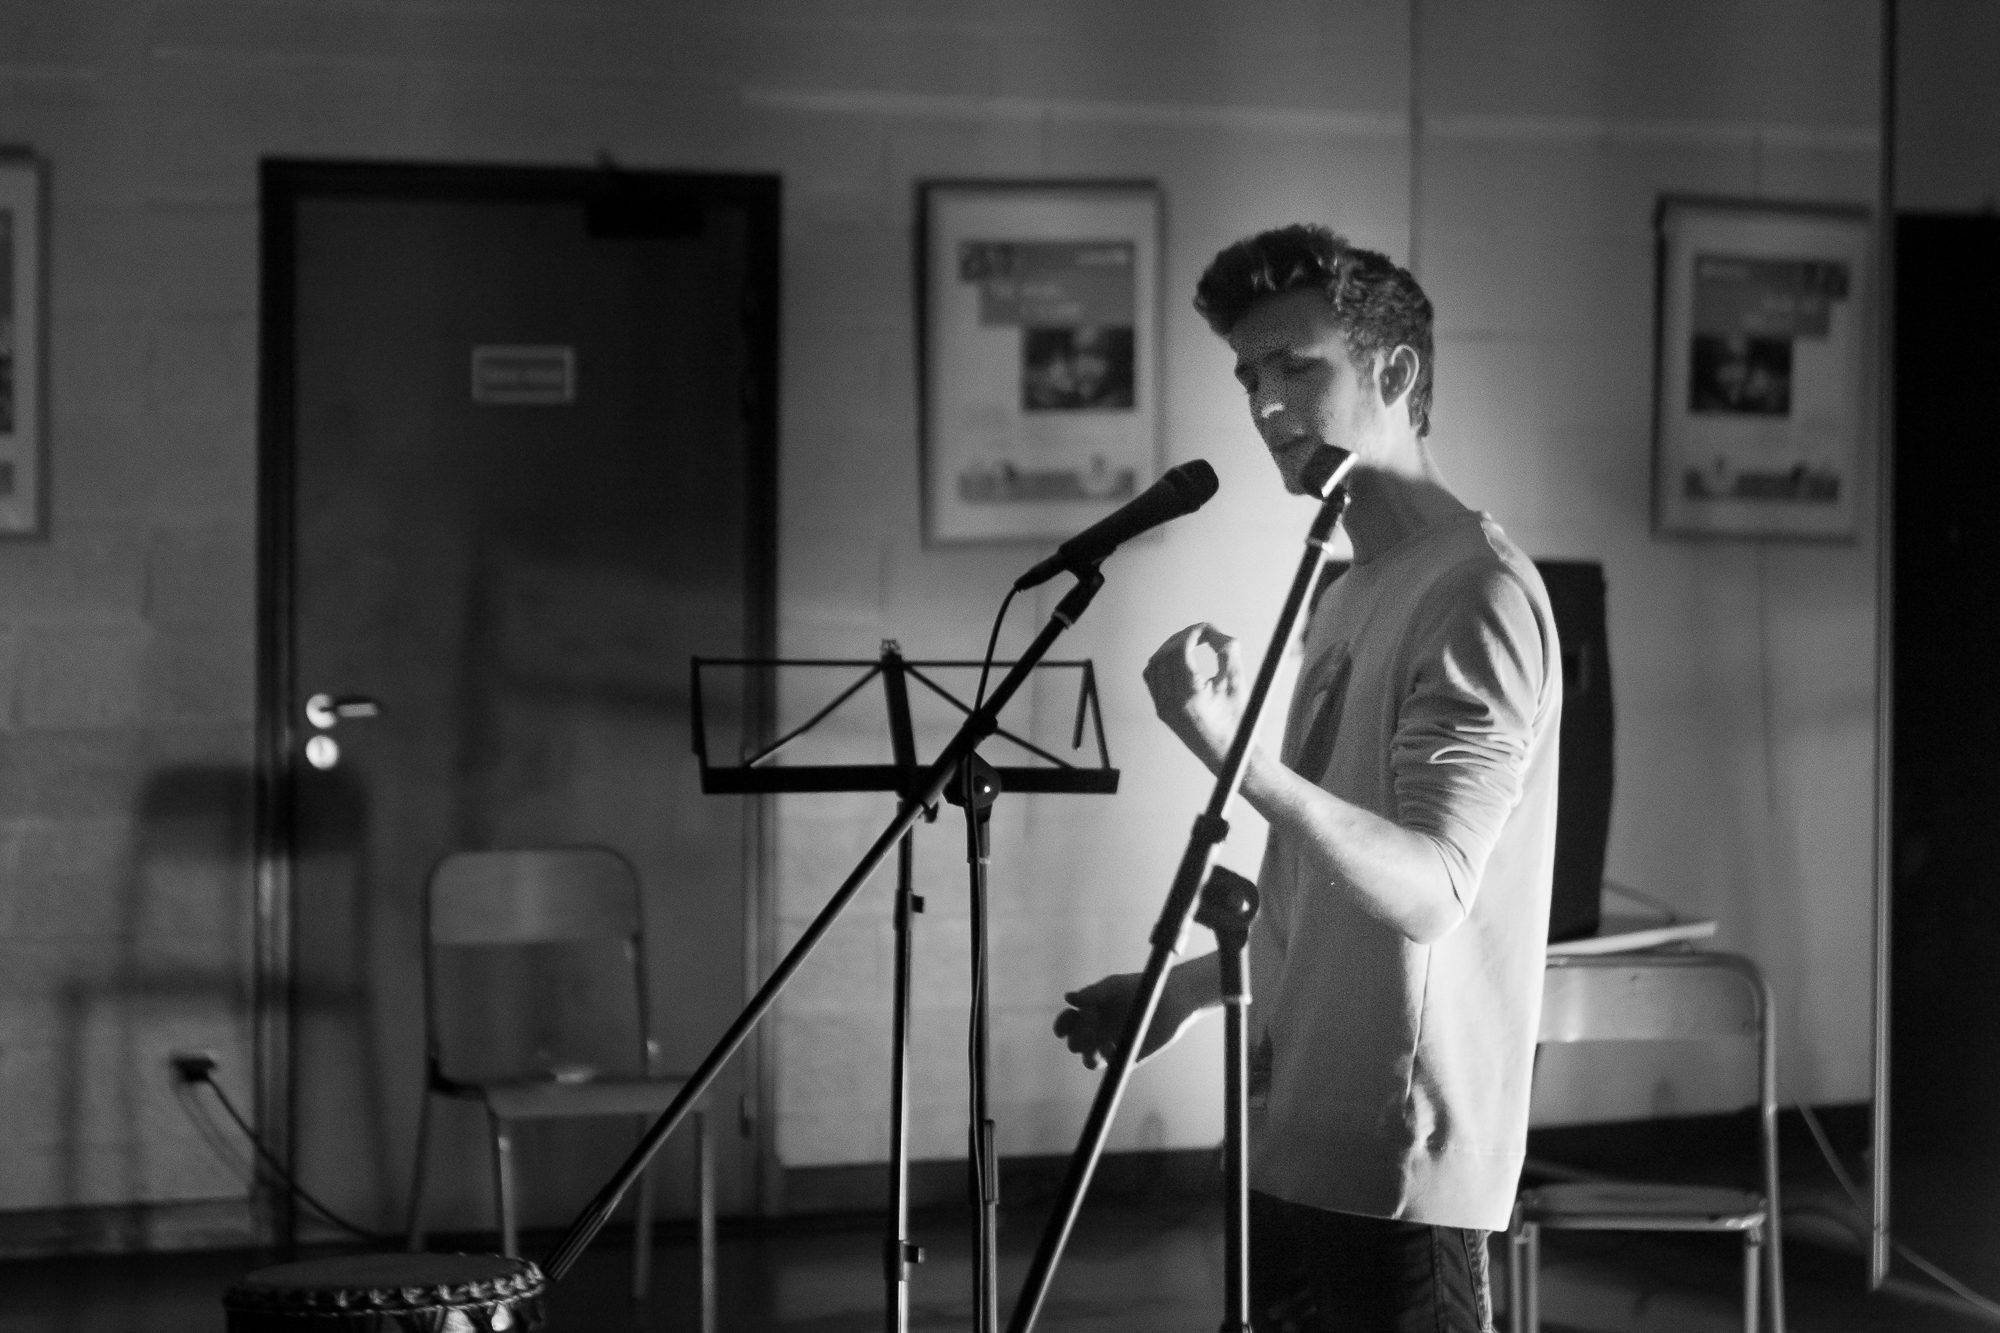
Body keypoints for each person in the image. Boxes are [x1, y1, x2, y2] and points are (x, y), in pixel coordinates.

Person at [1052, 225, 1563, 1332]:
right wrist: (1182, 993)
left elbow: (1431, 888)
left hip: (1397, 1171)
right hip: (1289, 1141)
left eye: (1296, 366)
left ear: (1395, 372)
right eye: (1249, 377)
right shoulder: (1346, 587)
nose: (1266, 405)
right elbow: (1318, 895)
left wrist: (1234, 755)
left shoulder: (1474, 591)